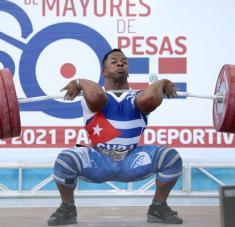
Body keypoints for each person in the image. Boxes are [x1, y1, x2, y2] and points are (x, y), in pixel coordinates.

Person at [47, 48, 183, 226]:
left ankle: (158, 207)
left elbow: (148, 101)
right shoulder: (90, 94)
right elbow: (96, 98)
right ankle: (67, 208)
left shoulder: (138, 96)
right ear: (104, 71)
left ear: (128, 70)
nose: (120, 63)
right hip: (97, 160)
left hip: (131, 160)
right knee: (65, 160)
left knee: (170, 158)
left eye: (124, 61)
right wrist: (79, 81)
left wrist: (162, 82)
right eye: (114, 61)